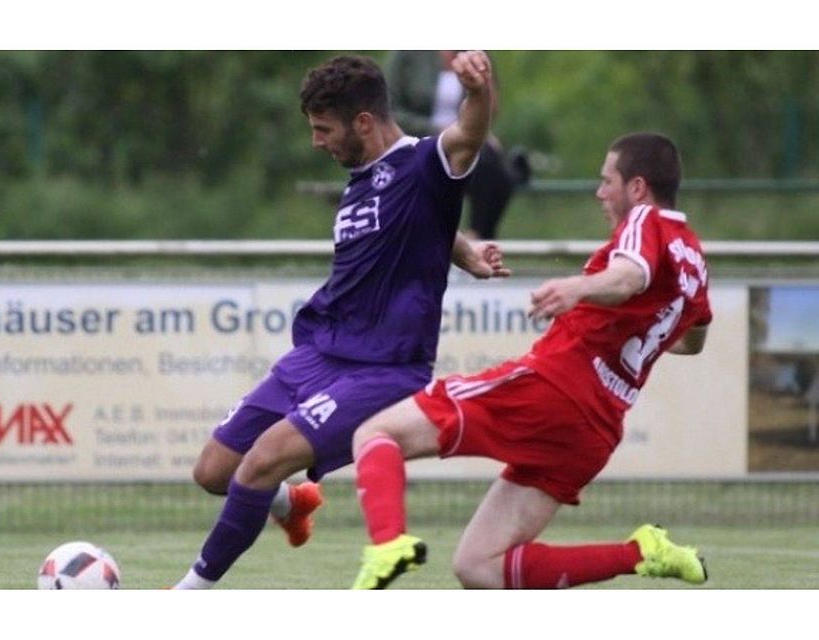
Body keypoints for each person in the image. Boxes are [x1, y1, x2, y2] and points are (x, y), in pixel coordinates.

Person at [173, 51, 510, 589]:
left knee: (262, 461)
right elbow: (416, 225)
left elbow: (468, 136)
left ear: (364, 122)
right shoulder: (361, 178)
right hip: (317, 353)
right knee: (213, 471)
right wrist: (463, 250)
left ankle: (186, 595)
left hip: (381, 368)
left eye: (323, 129)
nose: (316, 142)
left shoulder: (425, 163)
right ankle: (293, 504)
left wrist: (477, 89)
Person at [350, 131, 713, 589]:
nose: (600, 192)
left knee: (375, 432)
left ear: (637, 187)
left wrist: (577, 288)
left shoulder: (645, 219)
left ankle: (386, 545)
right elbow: (693, 341)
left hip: (554, 389)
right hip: (595, 430)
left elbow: (627, 277)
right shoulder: (695, 258)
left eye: (607, 181)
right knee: (478, 566)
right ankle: (641, 553)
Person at [385, 50, 531, 240]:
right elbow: (389, 111)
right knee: (494, 170)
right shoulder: (407, 55)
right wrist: (439, 129)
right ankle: (477, 240)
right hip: (420, 140)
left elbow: (492, 107)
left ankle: (477, 237)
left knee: (489, 161)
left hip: (465, 139)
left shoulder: (476, 52)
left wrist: (481, 90)